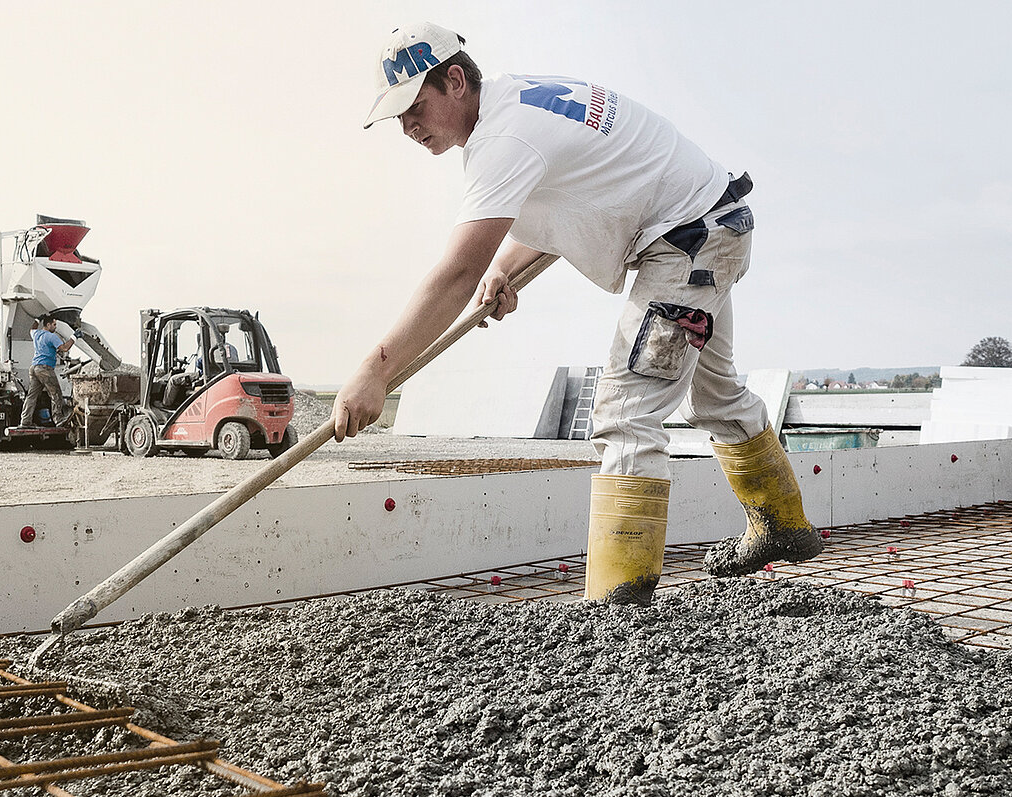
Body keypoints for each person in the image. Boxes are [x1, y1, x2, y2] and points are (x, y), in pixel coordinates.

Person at [333, 23, 823, 604]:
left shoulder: (504, 139)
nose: (408, 127)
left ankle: (620, 601)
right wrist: (504, 271)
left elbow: (458, 271)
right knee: (714, 393)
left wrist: (376, 369)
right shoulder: (517, 101)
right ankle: (783, 524)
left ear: (455, 81)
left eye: (414, 108)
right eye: (398, 118)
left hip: (688, 243)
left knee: (624, 412)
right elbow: (569, 200)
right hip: (710, 227)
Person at [20, 314, 74, 428]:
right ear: (48, 325)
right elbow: (64, 348)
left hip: (34, 368)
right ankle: (58, 419)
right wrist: (74, 337)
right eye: (54, 325)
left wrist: (37, 320)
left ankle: (25, 421)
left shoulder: (36, 334)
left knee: (31, 396)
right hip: (45, 368)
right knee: (56, 394)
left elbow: (32, 328)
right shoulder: (51, 336)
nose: (55, 327)